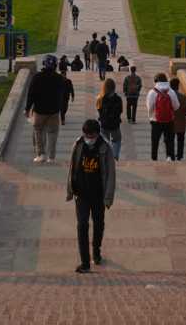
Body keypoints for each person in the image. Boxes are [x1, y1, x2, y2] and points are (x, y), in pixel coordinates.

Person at [66, 118, 116, 274]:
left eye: (91, 135)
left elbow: (110, 175)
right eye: (86, 135)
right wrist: (70, 189)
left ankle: (96, 251)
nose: (88, 138)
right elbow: (72, 167)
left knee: (98, 224)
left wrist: (108, 197)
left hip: (98, 195)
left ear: (97, 133)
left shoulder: (105, 148)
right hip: (81, 194)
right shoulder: (78, 144)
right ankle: (85, 262)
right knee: (82, 225)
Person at [25, 55, 64, 164]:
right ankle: (51, 157)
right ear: (55, 65)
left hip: (39, 111)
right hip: (54, 111)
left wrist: (27, 108)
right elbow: (62, 95)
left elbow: (31, 94)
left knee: (38, 131)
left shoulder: (37, 77)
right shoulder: (59, 78)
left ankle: (41, 154)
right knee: (52, 133)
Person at [146, 72, 177, 161]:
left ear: (156, 81)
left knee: (155, 141)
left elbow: (150, 107)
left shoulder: (152, 92)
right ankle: (170, 157)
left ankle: (154, 158)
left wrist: (151, 116)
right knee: (169, 141)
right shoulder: (171, 91)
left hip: (156, 121)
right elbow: (176, 106)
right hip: (169, 120)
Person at [95, 77, 123, 158]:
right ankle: (115, 156)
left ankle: (105, 156)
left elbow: (98, 110)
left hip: (104, 124)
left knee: (104, 141)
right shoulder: (118, 99)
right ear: (114, 87)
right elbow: (120, 111)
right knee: (117, 140)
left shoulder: (100, 98)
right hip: (115, 124)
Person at [169, 78, 186, 160]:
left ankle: (171, 155)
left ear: (170, 86)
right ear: (178, 86)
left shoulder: (167, 97)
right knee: (180, 140)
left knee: (170, 140)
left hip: (169, 123)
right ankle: (180, 155)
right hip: (181, 123)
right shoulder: (184, 97)